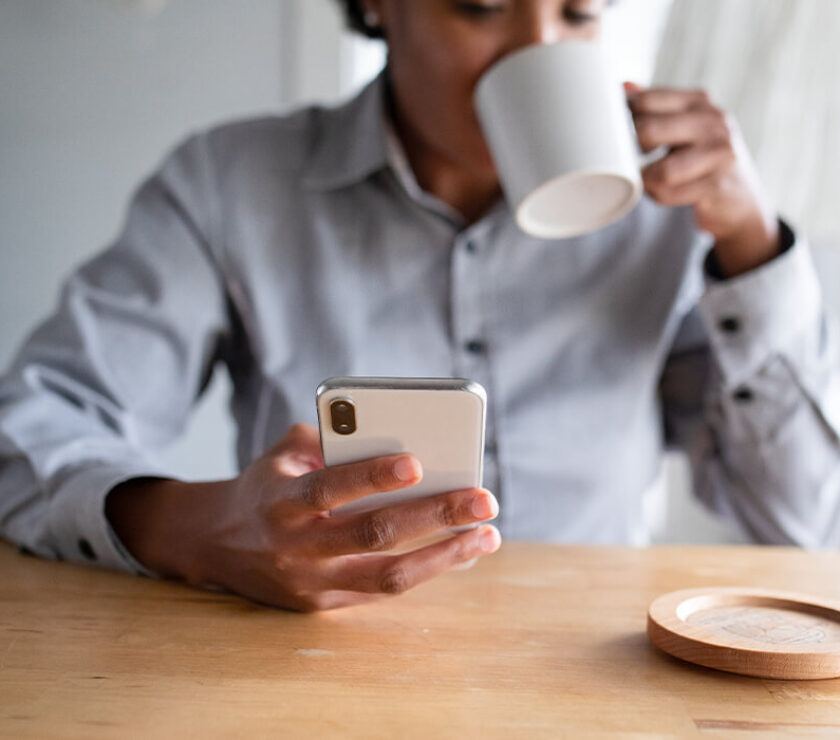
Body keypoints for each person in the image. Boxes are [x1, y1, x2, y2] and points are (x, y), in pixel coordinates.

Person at [1, 0, 838, 612]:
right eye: (481, 7)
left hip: (590, 674)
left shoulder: (669, 215)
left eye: (580, 14)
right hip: (311, 670)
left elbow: (804, 521)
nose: (534, 49)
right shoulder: (231, 184)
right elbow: (30, 435)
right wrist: (204, 530)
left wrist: (754, 251)